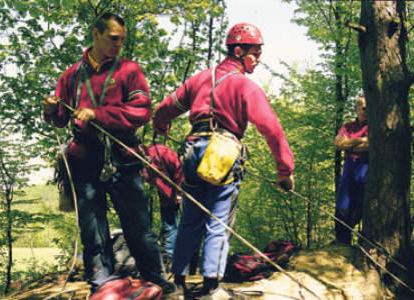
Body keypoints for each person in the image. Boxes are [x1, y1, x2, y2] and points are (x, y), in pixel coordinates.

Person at [153, 23, 295, 297]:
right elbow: (271, 129)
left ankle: (178, 284)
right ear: (239, 51)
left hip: (194, 150)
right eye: (255, 52)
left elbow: (165, 108)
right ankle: (211, 287)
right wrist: (285, 170)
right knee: (218, 221)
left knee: (191, 219)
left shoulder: (200, 79)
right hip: (224, 152)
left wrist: (161, 125)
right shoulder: (244, 85)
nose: (259, 58)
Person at [42, 12, 177, 297]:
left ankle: (157, 281)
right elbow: (60, 120)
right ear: (96, 34)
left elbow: (142, 111)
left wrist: (99, 114)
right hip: (83, 160)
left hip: (123, 158)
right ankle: (102, 285)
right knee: (92, 229)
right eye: (113, 39)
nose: (119, 45)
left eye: (122, 40)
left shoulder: (129, 70)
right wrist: (51, 110)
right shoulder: (72, 76)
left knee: (139, 226)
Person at [141, 143, 183, 270]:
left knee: (181, 226)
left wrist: (180, 191)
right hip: (166, 196)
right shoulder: (142, 161)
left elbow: (179, 169)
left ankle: (177, 260)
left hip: (179, 192)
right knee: (169, 227)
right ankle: (169, 259)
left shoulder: (161, 152)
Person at [334, 95, 368, 245]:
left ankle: (353, 235)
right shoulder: (348, 126)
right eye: (361, 106)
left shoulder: (374, 125)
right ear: (356, 109)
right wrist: (360, 140)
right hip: (349, 165)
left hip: (365, 165)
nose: (364, 109)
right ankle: (342, 240)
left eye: (367, 107)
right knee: (343, 202)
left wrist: (349, 143)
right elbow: (338, 144)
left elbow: (371, 145)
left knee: (361, 202)